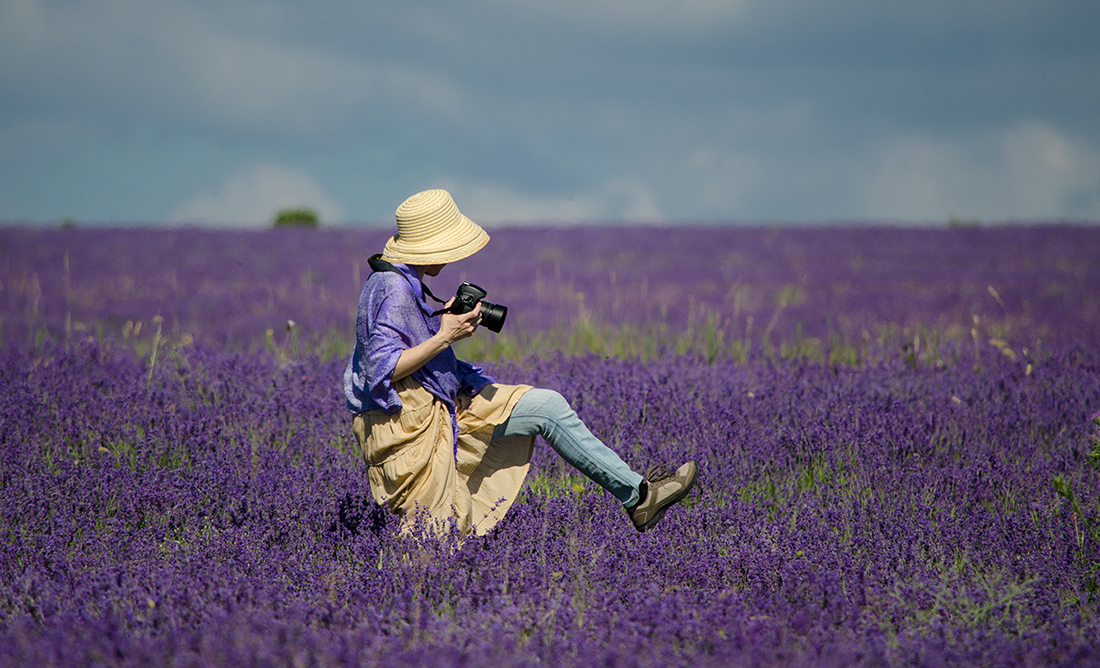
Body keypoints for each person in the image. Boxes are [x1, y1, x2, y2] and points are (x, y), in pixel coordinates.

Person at [343, 189, 697, 536]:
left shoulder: (406, 281)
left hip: (445, 400)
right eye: (447, 247)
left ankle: (639, 497)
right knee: (431, 537)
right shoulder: (393, 288)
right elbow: (382, 370)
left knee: (546, 407)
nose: (450, 258)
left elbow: (409, 346)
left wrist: (443, 323)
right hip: (407, 421)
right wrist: (445, 336)